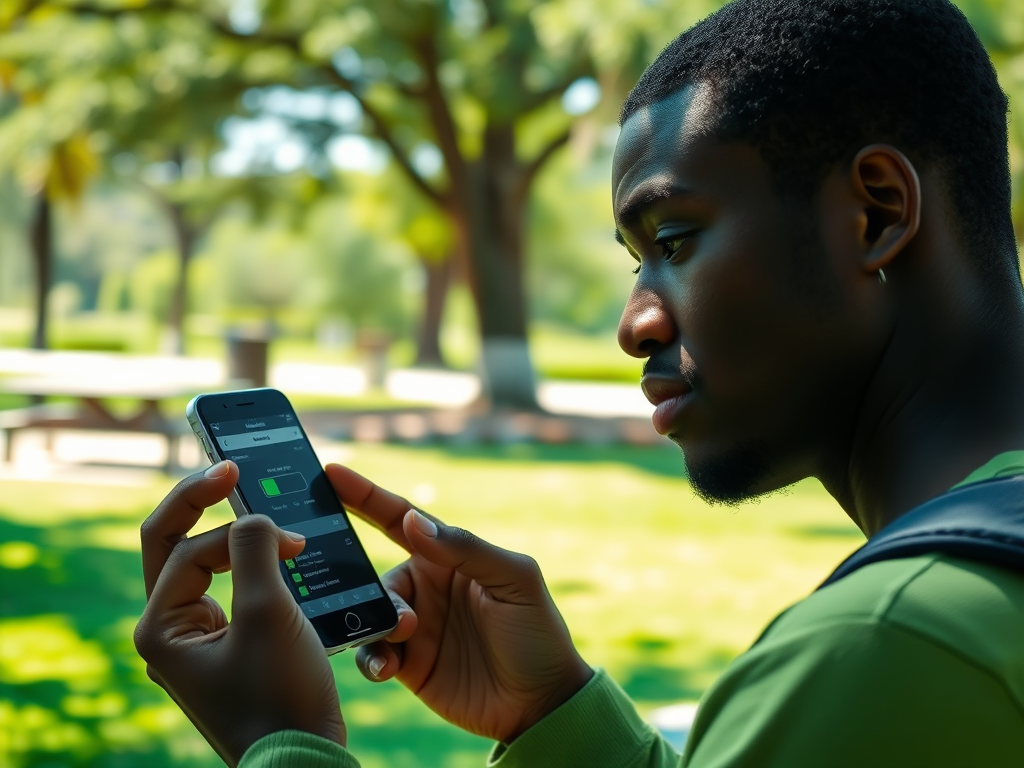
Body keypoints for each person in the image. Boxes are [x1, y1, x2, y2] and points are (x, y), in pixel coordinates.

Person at [133, 0, 1024, 765]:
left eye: (673, 242)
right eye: (635, 264)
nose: (635, 323)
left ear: (876, 211)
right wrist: (556, 717)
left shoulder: (886, 646)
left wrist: (280, 738)